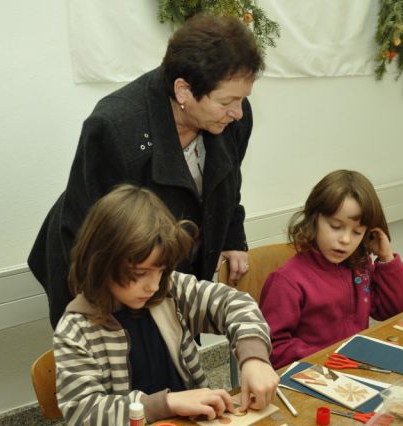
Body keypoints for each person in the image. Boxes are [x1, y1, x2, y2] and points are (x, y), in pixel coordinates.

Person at [29, 14, 263, 328]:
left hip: (167, 263)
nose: (238, 112)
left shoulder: (232, 117)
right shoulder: (114, 128)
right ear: (183, 90)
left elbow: (228, 183)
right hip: (103, 262)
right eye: (226, 102)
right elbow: (83, 235)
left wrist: (232, 237)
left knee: (174, 340)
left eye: (242, 99)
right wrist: (105, 314)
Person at [54, 184, 278, 426]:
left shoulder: (169, 290)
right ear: (101, 262)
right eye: (140, 273)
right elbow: (85, 417)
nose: (153, 285)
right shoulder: (76, 330)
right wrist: (167, 403)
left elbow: (235, 303)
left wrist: (254, 358)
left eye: (160, 270)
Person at [259, 170, 403, 369]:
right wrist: (332, 358)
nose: (345, 240)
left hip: (351, 367)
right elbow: (273, 348)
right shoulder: (287, 281)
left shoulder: (359, 265)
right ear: (313, 219)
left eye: (357, 232)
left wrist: (386, 258)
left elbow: (394, 312)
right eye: (335, 226)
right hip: (314, 373)